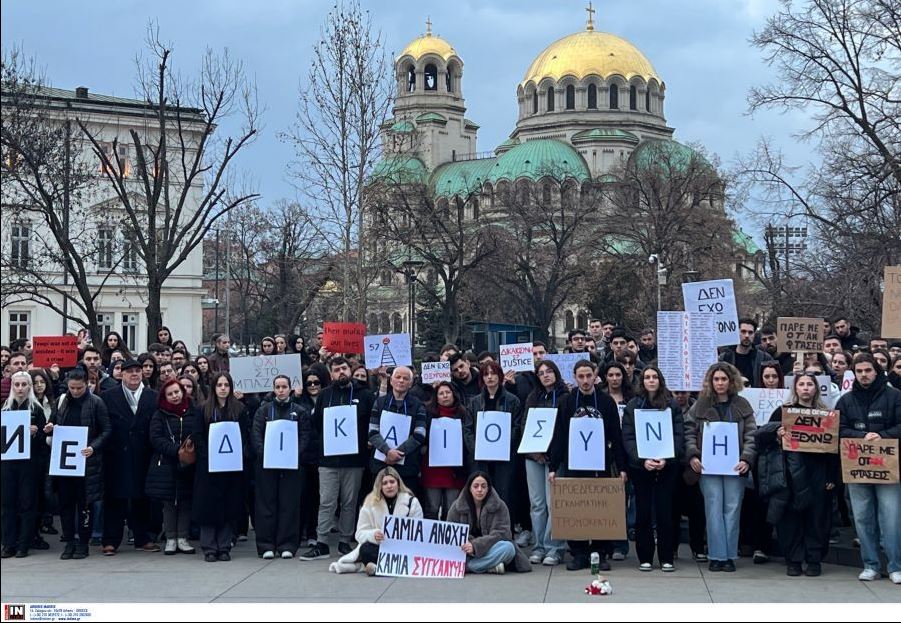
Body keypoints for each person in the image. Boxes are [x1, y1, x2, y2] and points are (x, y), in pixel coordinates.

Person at [756, 373, 839, 577]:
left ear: (816, 389)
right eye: (801, 384)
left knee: (817, 518)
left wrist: (832, 477)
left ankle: (814, 560)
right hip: (790, 474)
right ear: (795, 389)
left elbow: (834, 450)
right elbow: (761, 438)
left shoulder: (826, 415)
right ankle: (793, 560)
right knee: (790, 519)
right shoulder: (782, 413)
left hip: (818, 473)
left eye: (809, 384)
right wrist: (776, 432)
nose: (805, 388)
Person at [549, 360, 627, 571]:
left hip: (599, 463)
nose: (585, 381)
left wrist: (621, 467)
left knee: (599, 507)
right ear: (575, 377)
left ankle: (600, 553)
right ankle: (579, 552)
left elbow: (616, 436)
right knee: (577, 508)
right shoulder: (566, 402)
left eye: (588, 376)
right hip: (574, 463)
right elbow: (559, 434)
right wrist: (553, 466)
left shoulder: (606, 402)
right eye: (580, 377)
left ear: (595, 376)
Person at [685, 362, 757, 572]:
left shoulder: (742, 405)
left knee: (732, 510)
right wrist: (693, 456)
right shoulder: (700, 405)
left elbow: (751, 435)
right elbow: (689, 430)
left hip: (735, 467)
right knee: (713, 508)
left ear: (731, 381)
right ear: (710, 381)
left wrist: (746, 458)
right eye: (716, 379)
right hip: (708, 466)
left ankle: (729, 555)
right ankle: (716, 555)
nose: (720, 383)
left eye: (724, 379)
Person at [836, 353, 901, 584]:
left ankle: (895, 565)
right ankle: (871, 565)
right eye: (859, 371)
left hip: (888, 469)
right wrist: (862, 436)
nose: (864, 375)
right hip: (858, 469)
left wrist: (881, 436)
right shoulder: (845, 401)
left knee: (891, 518)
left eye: (868, 370)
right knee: (862, 518)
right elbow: (839, 429)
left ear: (877, 371)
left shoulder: (895, 396)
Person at [302, 357, 375, 561]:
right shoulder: (325, 395)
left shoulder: (365, 395)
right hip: (328, 460)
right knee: (326, 501)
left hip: (354, 460)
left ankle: (345, 540)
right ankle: (322, 542)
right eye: (336, 370)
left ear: (350, 370)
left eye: (344, 368)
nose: (341, 372)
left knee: (349, 502)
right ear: (331, 373)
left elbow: (372, 422)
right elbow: (316, 423)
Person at [621, 366, 684, 572]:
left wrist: (667, 457)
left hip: (667, 466)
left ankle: (667, 557)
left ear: (660, 380)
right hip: (641, 467)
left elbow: (678, 434)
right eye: (647, 377)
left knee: (665, 511)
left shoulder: (671, 405)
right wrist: (641, 460)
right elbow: (628, 437)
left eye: (654, 377)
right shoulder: (633, 405)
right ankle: (645, 556)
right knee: (643, 511)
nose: (651, 380)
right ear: (642, 381)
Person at [44, 368, 111, 560]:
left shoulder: (96, 403)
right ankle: (69, 542)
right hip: (64, 462)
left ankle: (83, 542)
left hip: (86, 462)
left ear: (86, 385)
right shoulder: (62, 401)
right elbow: (52, 423)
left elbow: (106, 430)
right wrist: (49, 428)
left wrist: (93, 447)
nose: (75, 392)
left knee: (85, 505)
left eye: (79, 388)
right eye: (72, 388)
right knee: (65, 504)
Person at [100, 359, 160, 555]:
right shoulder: (109, 396)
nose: (134, 374)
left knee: (141, 498)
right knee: (114, 499)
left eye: (137, 371)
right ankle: (110, 540)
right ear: (122, 375)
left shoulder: (152, 396)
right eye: (130, 371)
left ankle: (142, 537)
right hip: (116, 454)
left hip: (143, 453)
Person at [252, 375, 310, 560]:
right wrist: (266, 454)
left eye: (284, 386)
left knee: (289, 505)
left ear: (290, 388)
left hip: (291, 465)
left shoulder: (299, 411)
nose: (281, 390)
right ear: (273, 389)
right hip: (267, 466)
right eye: (278, 387)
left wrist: (293, 455)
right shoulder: (264, 410)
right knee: (266, 505)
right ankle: (266, 544)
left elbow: (304, 436)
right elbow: (256, 434)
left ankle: (287, 544)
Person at [192, 373, 246, 562]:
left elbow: (243, 436)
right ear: (213, 388)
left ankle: (224, 546)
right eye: (219, 385)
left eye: (226, 385)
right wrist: (208, 455)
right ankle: (209, 547)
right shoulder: (203, 410)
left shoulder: (239, 409)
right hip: (209, 466)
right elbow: (197, 436)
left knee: (227, 506)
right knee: (208, 507)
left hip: (230, 466)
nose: (223, 388)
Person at [328, 467, 423, 575]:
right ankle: (387, 567)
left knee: (418, 552)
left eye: (392, 482)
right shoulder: (369, 503)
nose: (389, 486)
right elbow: (359, 534)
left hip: (404, 549)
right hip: (381, 548)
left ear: (398, 483)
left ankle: (381, 568)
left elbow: (419, 533)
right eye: (385, 483)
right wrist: (373, 535)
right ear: (380, 486)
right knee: (365, 549)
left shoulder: (412, 502)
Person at [522, 359, 570, 566]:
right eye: (541, 373)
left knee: (554, 503)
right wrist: (534, 452)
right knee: (537, 503)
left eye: (549, 371)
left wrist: (552, 454)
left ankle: (555, 546)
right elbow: (526, 425)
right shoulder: (532, 397)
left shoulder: (565, 397)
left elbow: (565, 430)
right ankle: (539, 545)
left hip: (555, 458)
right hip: (533, 457)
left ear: (556, 374)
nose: (546, 375)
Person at [146, 379, 197, 555]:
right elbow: (155, 438)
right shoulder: (159, 414)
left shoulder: (193, 411)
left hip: (188, 464)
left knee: (185, 502)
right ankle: (170, 538)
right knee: (169, 504)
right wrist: (176, 450)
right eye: (170, 394)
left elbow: (198, 433)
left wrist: (189, 450)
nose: (175, 396)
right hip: (166, 464)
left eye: (177, 392)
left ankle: (183, 538)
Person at [446, 471, 532, 574]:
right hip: (466, 550)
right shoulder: (457, 506)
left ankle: (469, 567)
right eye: (476, 486)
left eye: (483, 486)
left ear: (488, 488)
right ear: (469, 488)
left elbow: (503, 534)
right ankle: (489, 566)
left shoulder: (500, 506)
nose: (479, 490)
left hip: (491, 549)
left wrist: (476, 546)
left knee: (508, 548)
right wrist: (469, 546)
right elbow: (451, 533)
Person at [465, 361, 522, 512]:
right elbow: (468, 429)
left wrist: (503, 446)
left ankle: (505, 529)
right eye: (486, 374)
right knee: (480, 493)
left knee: (504, 493)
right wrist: (476, 449)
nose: (490, 377)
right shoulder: (475, 402)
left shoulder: (512, 400)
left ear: (500, 376)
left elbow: (517, 427)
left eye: (493, 373)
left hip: (504, 457)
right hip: (481, 458)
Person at [1, 372, 47, 558]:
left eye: (23, 385)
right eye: (17, 385)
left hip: (29, 465)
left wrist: (36, 433)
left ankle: (23, 544)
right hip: (7, 465)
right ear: (12, 386)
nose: (20, 388)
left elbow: (45, 441)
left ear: (29, 387)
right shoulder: (5, 409)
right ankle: (8, 543)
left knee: (27, 504)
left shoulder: (36, 410)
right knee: (7, 504)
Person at [368, 366, 427, 497]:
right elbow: (372, 431)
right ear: (391, 381)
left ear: (411, 383)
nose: (401, 381)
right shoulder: (380, 402)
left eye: (405, 378)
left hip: (407, 468)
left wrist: (397, 454)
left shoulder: (418, 405)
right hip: (381, 465)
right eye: (398, 377)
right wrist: (387, 451)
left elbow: (419, 434)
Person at [421, 381, 467, 520]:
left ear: (453, 394)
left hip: (454, 469)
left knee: (452, 508)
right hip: (432, 469)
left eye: (448, 392)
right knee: (432, 507)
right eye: (441, 393)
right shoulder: (428, 414)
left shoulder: (463, 414)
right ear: (436, 397)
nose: (445, 396)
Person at [719, 318, 772, 388]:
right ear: (737, 333)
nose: (747, 336)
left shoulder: (764, 358)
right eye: (743, 332)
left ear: (754, 335)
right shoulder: (724, 358)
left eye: (750, 332)